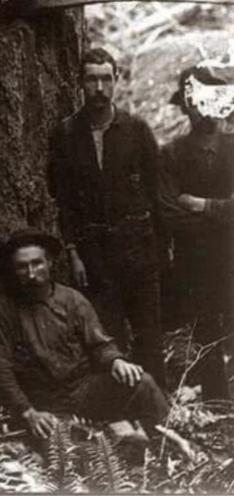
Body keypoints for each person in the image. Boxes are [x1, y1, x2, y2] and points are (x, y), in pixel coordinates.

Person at [47, 47, 165, 387]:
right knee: (107, 335)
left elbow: (156, 193)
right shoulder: (66, 134)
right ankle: (119, 408)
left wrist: (160, 246)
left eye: (105, 79)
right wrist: (73, 252)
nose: (98, 88)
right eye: (91, 80)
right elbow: (64, 200)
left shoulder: (137, 129)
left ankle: (157, 410)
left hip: (139, 248)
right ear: (79, 83)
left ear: (116, 82)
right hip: (95, 253)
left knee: (149, 333)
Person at [0, 229, 168, 442]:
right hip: (44, 404)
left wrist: (117, 361)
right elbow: (2, 368)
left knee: (143, 383)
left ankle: (173, 444)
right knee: (75, 453)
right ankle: (112, 439)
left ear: (49, 263)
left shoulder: (72, 300)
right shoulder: (4, 309)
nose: (30, 273)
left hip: (84, 390)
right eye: (22, 266)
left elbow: (99, 344)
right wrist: (28, 412)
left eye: (37, 263)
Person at [159, 63, 234, 399]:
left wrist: (202, 205)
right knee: (206, 329)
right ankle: (218, 400)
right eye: (197, 102)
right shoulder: (171, 155)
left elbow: (186, 206)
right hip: (196, 261)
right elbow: (169, 213)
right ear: (186, 106)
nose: (205, 112)